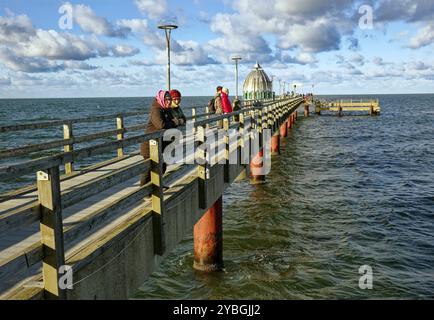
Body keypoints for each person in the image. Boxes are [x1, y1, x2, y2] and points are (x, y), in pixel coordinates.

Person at [140, 90, 179, 186]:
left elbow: (172, 122)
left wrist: (175, 122)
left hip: (160, 144)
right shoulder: (156, 109)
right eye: (166, 99)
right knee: (149, 169)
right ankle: (145, 191)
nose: (169, 101)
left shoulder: (166, 109)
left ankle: (156, 187)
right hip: (150, 145)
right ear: (160, 99)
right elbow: (160, 125)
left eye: (170, 99)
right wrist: (174, 122)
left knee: (162, 166)